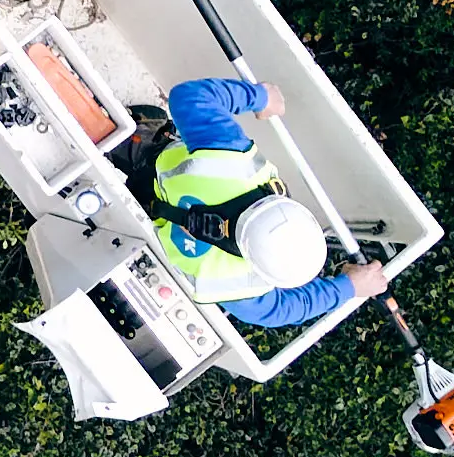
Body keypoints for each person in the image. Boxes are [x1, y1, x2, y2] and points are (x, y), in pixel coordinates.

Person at [148, 76, 385, 331]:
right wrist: (349, 287)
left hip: (156, 176)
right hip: (152, 232)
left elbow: (190, 97)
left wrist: (260, 97)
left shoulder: (231, 157)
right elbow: (282, 310)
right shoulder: (240, 285)